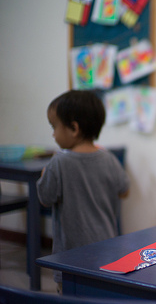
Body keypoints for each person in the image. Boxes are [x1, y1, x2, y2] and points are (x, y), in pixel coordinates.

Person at [37, 90, 130, 289]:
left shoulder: (58, 162)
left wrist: (45, 174)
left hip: (71, 256)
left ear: (74, 128)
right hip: (107, 251)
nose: (53, 134)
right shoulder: (109, 158)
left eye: (54, 127)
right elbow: (124, 190)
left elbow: (45, 198)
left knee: (72, 294)